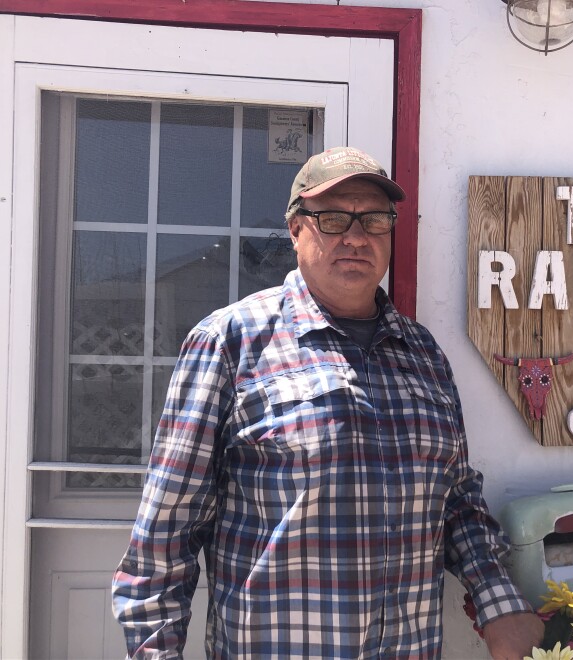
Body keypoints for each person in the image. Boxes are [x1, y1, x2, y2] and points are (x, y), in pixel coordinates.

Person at [112, 146, 544, 659]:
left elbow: (455, 499)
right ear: (296, 230)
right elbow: (167, 532)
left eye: (375, 219)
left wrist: (499, 600)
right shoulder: (232, 342)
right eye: (333, 218)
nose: (356, 237)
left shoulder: (423, 354)